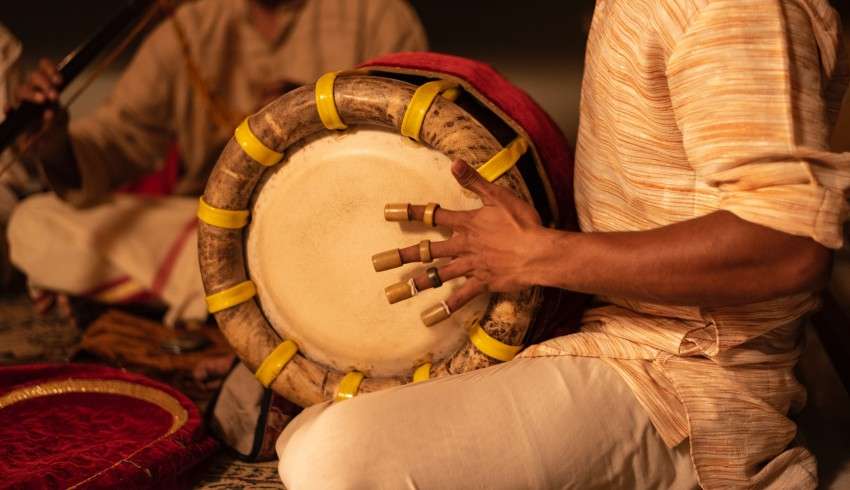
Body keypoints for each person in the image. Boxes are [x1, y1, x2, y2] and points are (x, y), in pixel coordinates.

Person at [274, 1, 850, 488]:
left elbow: (788, 245)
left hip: (688, 387)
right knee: (308, 430)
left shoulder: (734, 9)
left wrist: (537, 254)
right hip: (620, 347)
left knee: (335, 457)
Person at [6, 0, 426, 324]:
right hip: (213, 238)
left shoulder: (379, 16)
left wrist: (310, 111)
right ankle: (270, 306)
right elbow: (120, 138)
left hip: (336, 232)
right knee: (35, 221)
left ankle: (221, 306)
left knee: (395, 255)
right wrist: (55, 140)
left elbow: (417, 145)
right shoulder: (190, 27)